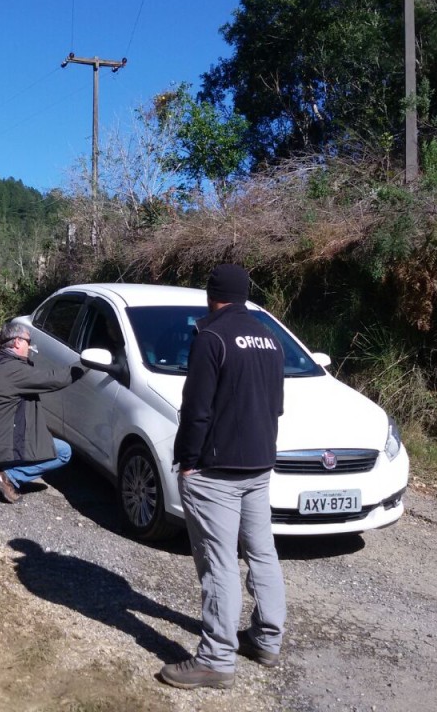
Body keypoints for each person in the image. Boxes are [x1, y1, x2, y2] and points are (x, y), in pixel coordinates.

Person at [159, 263, 286, 690]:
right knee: (262, 552)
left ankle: (215, 659)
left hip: (216, 470)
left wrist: (188, 461)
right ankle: (267, 639)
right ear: (246, 294)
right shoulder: (270, 338)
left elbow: (196, 409)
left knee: (219, 563)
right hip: (259, 464)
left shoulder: (210, 336)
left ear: (211, 295)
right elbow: (276, 407)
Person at [0, 321, 83, 503]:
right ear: (16, 342)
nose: (30, 347)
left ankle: (1, 468)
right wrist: (83, 365)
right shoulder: (12, 369)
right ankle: (8, 476)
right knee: (64, 452)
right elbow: (54, 379)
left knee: (35, 437)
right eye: (27, 341)